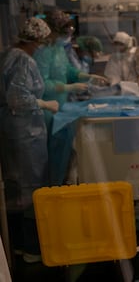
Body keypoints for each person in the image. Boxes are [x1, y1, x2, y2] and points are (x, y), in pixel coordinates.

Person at [0, 17, 59, 263]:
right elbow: (17, 98)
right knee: (31, 188)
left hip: (12, 131)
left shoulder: (7, 55)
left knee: (15, 189)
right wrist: (44, 103)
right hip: (25, 134)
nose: (43, 46)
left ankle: (16, 245)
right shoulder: (23, 59)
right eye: (43, 42)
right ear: (36, 40)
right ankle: (33, 250)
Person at [33, 9, 106, 185]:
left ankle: (59, 186)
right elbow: (42, 84)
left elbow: (67, 70)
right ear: (52, 31)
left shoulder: (58, 49)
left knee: (63, 156)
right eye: (63, 33)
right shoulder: (42, 52)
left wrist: (85, 77)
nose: (66, 37)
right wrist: (69, 87)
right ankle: (50, 191)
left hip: (61, 108)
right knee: (51, 157)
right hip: (47, 112)